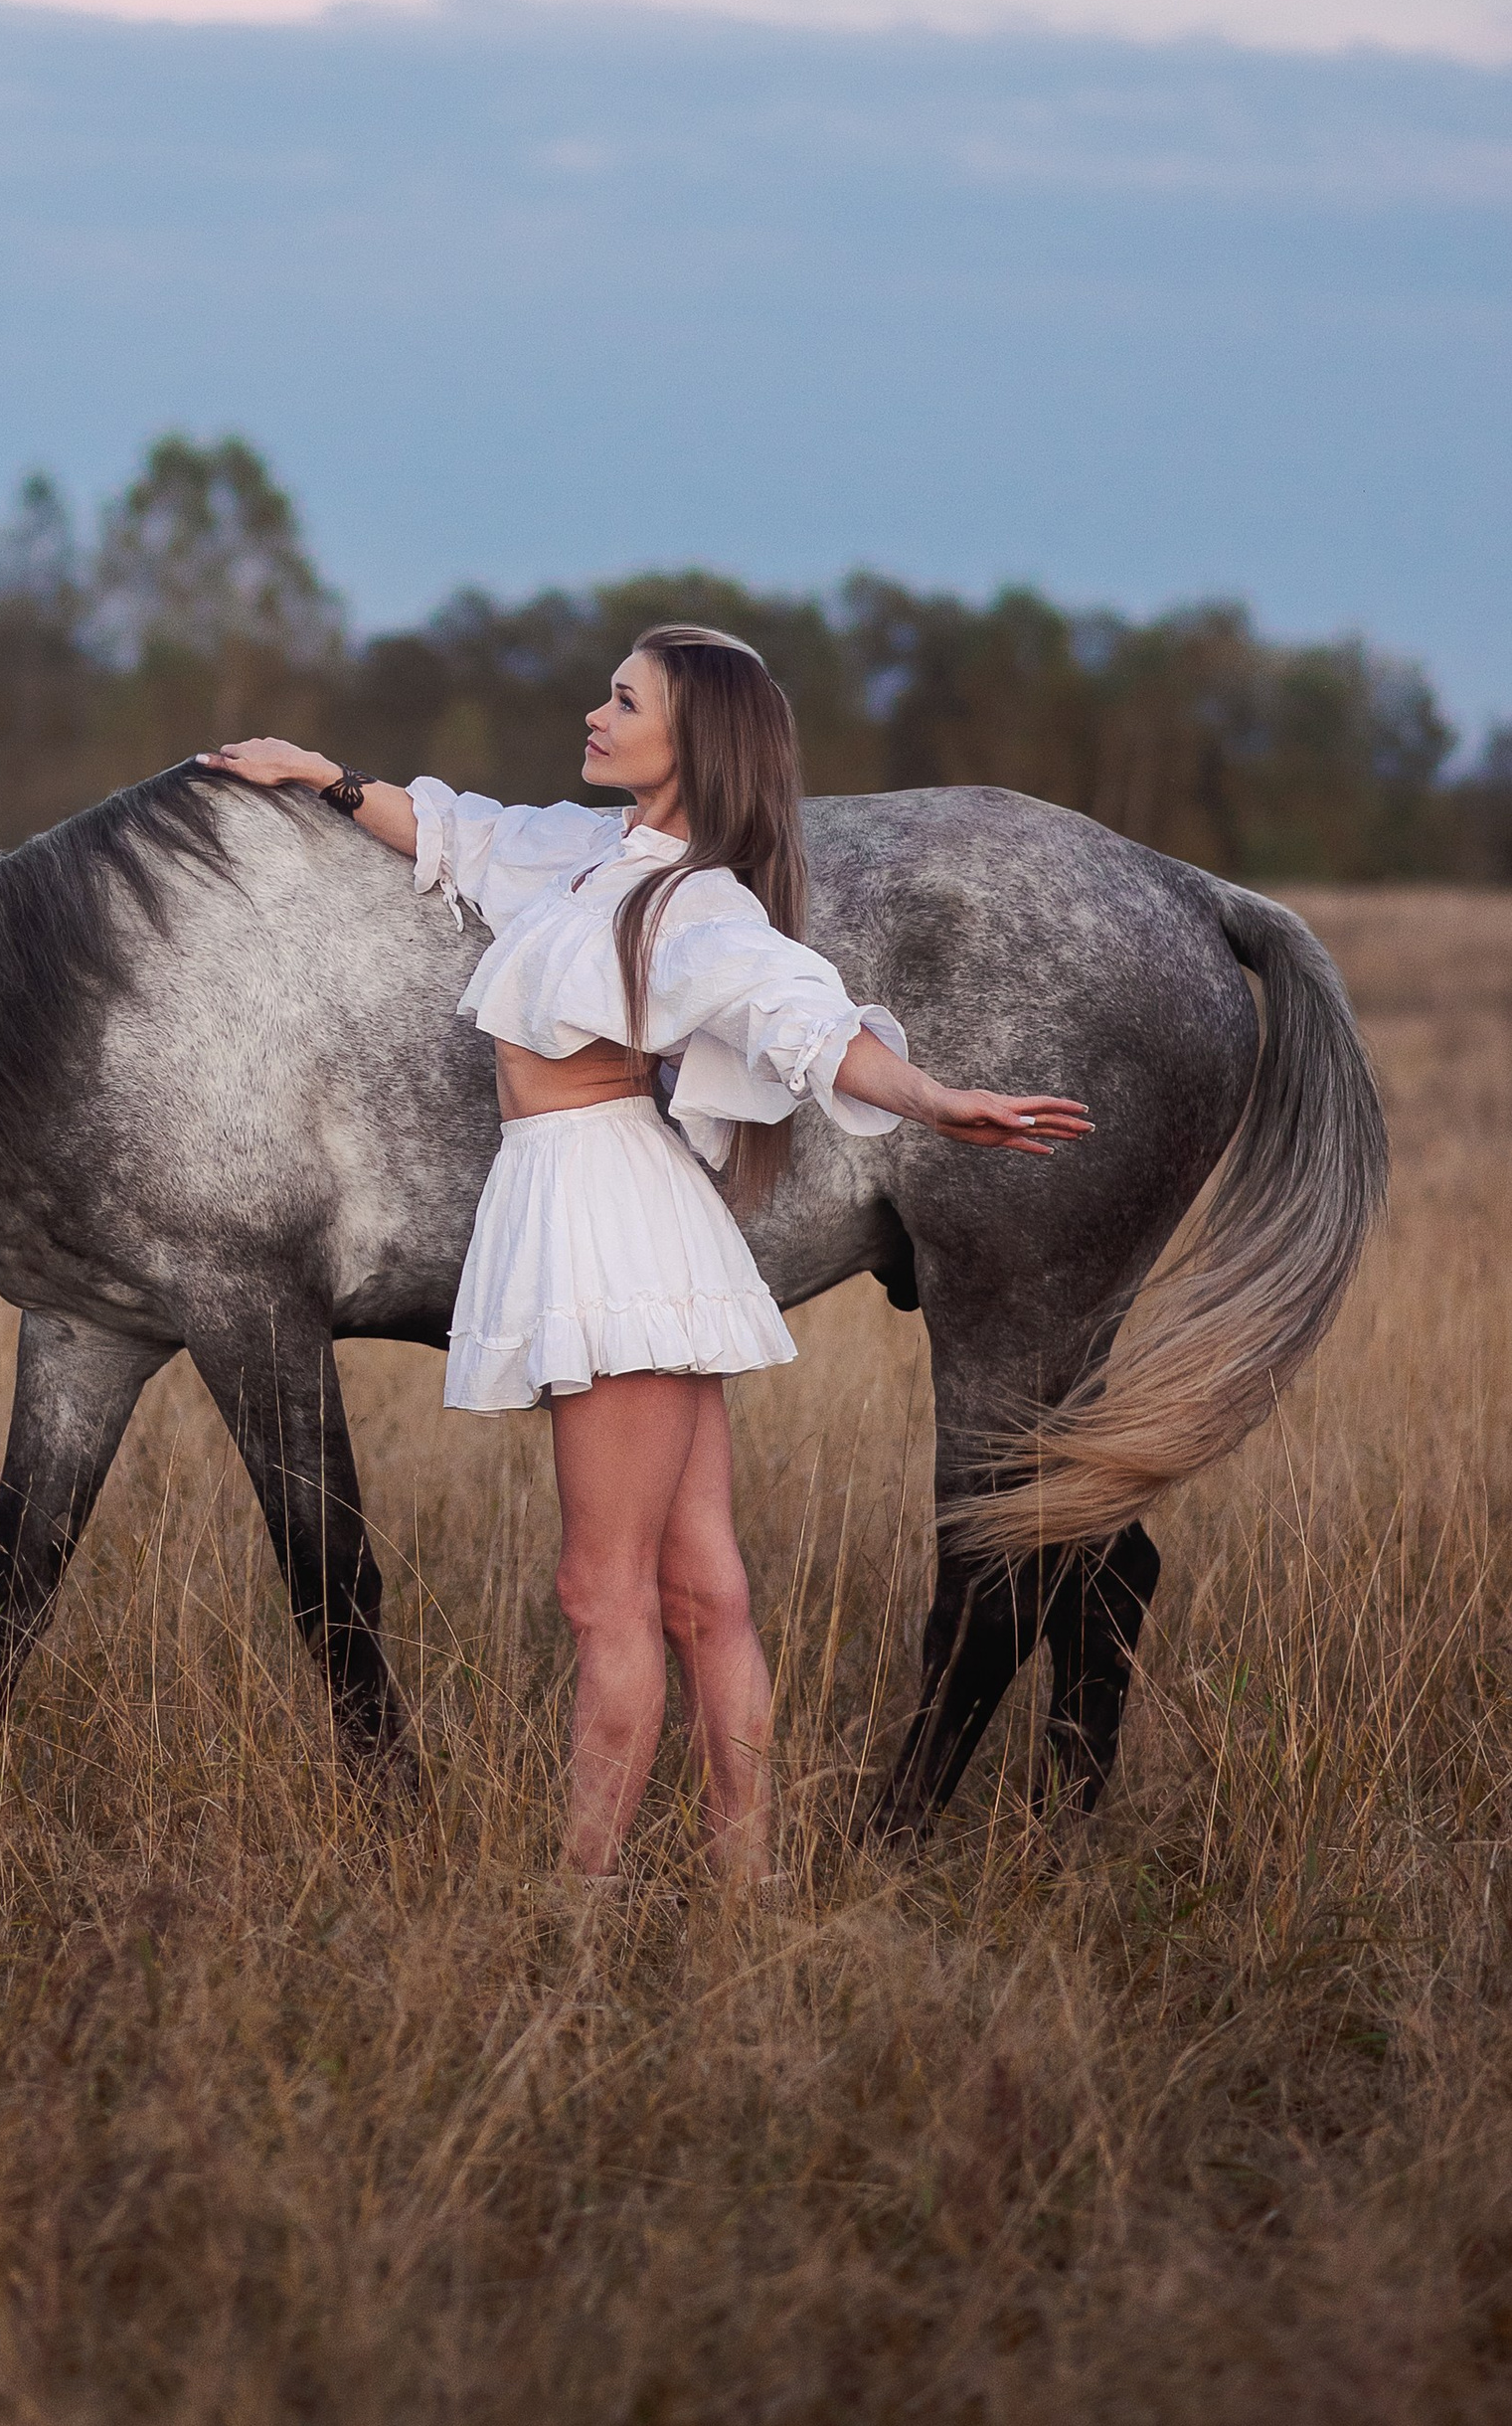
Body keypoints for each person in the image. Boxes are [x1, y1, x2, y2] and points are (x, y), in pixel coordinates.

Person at [201, 626, 1092, 1882]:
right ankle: (747, 1884)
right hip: (605, 1202)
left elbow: (802, 1016)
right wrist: (330, 781)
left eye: (624, 702)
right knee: (698, 1591)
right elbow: (467, 835)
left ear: (693, 740)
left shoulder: (699, 903)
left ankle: (580, 1897)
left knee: (600, 1592)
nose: (595, 712)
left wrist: (936, 1099)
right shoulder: (589, 858)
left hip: (604, 1215)